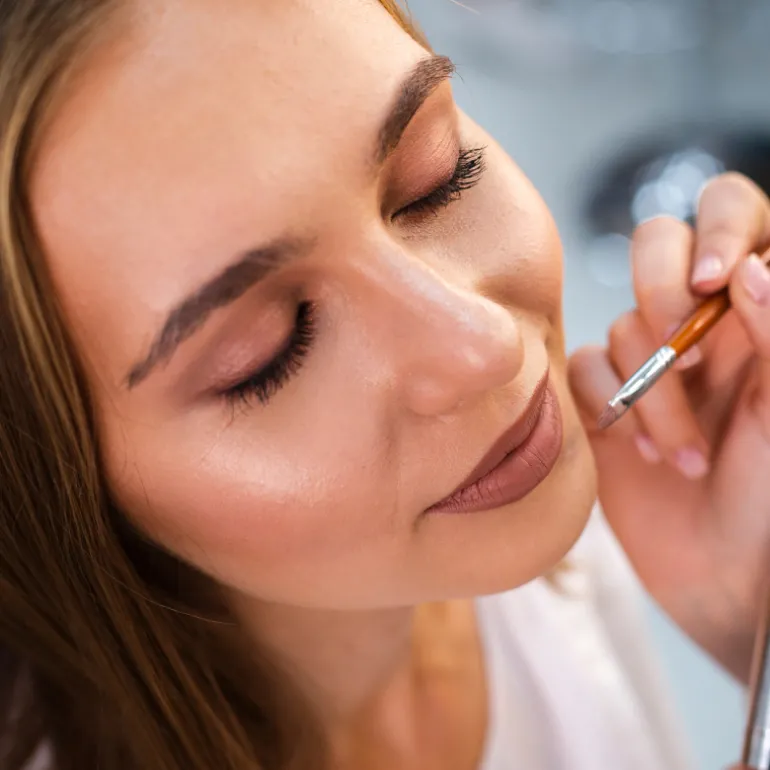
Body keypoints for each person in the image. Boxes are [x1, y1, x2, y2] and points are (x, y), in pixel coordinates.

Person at [1, 1, 769, 768]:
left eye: (437, 178)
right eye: (271, 352)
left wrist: (748, 620)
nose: (488, 346)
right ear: (45, 492)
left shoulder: (520, 502)